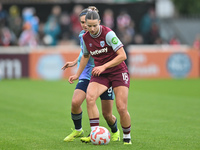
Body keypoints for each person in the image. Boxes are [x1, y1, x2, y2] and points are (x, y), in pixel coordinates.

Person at [68, 7, 132, 145]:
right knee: (90, 98)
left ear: (100, 22)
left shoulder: (108, 34)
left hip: (117, 71)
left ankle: (127, 137)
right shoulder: (85, 37)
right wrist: (77, 74)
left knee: (121, 108)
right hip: (100, 73)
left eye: (94, 25)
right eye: (88, 26)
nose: (91, 29)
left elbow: (123, 55)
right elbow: (85, 56)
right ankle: (95, 134)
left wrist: (103, 66)